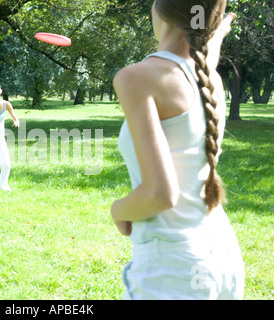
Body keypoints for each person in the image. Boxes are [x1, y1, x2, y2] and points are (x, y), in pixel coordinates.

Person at [111, 0, 244, 299]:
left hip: (173, 268)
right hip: (222, 257)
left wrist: (118, 209)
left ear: (160, 8)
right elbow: (205, 52)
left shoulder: (138, 77)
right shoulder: (211, 81)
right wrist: (217, 30)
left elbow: (160, 194)